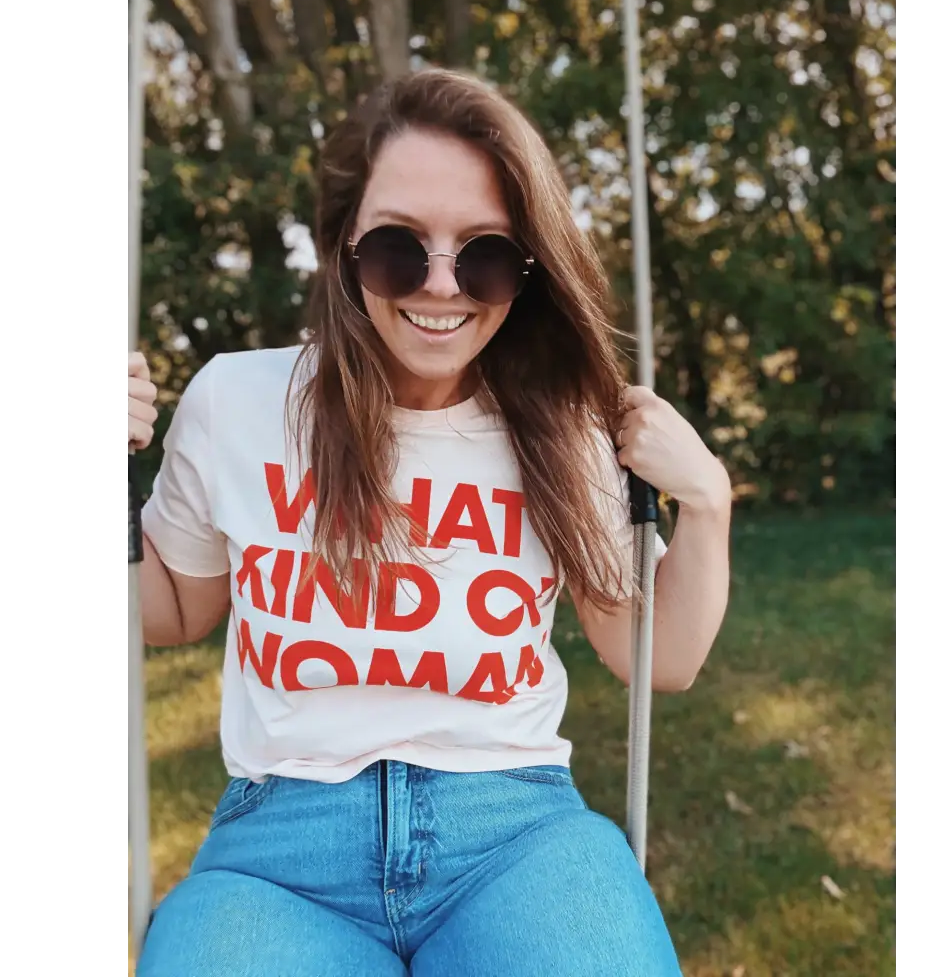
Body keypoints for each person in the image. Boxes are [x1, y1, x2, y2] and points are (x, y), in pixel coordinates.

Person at [128, 68, 732, 977]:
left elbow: (662, 659)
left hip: (515, 836)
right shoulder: (238, 401)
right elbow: (170, 610)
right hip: (281, 851)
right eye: (398, 249)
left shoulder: (560, 425)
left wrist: (709, 500)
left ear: (526, 270)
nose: (441, 287)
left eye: (484, 253)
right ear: (343, 246)